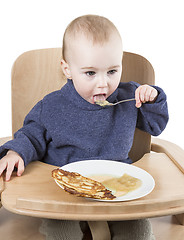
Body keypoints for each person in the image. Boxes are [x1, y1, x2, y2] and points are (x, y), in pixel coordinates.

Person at [0, 15, 168, 240]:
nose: (103, 83)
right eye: (90, 73)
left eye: (112, 71)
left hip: (119, 188)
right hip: (64, 192)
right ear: (67, 69)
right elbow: (31, 135)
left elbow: (155, 126)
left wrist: (152, 99)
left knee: (139, 232)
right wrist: (15, 152)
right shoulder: (51, 106)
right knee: (61, 233)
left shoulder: (129, 98)